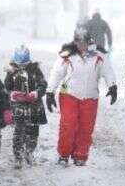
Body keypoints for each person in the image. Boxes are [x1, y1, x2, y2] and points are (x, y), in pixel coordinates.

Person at [46, 27, 117, 166]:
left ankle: (80, 155)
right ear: (75, 42)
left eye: (84, 42)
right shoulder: (66, 55)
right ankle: (64, 155)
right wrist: (50, 92)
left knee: (86, 127)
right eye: (78, 42)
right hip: (69, 95)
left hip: (90, 97)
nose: (81, 45)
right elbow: (56, 73)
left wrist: (112, 86)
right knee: (68, 125)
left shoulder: (99, 55)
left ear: (89, 40)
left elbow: (108, 71)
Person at [3, 45, 48, 168]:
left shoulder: (35, 70)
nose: (22, 66)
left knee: (33, 132)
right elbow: (6, 87)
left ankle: (29, 152)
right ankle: (18, 156)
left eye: (25, 64)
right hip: (18, 107)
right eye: (20, 64)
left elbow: (43, 85)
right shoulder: (11, 71)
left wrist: (36, 93)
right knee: (19, 132)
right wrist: (12, 94)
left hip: (34, 107)